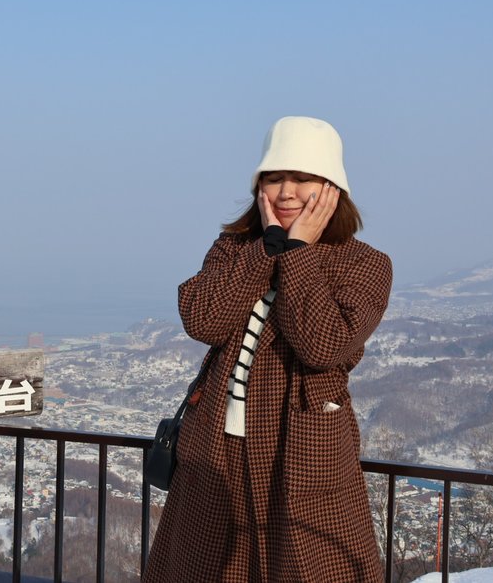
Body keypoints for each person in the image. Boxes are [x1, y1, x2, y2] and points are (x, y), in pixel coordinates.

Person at [143, 116, 391, 582]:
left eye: (302, 178)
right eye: (274, 177)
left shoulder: (365, 263)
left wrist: (297, 254)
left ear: (333, 188)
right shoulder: (236, 248)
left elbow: (323, 345)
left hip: (301, 447)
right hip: (214, 445)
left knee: (306, 567)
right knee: (202, 568)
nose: (286, 191)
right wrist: (267, 250)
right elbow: (203, 318)